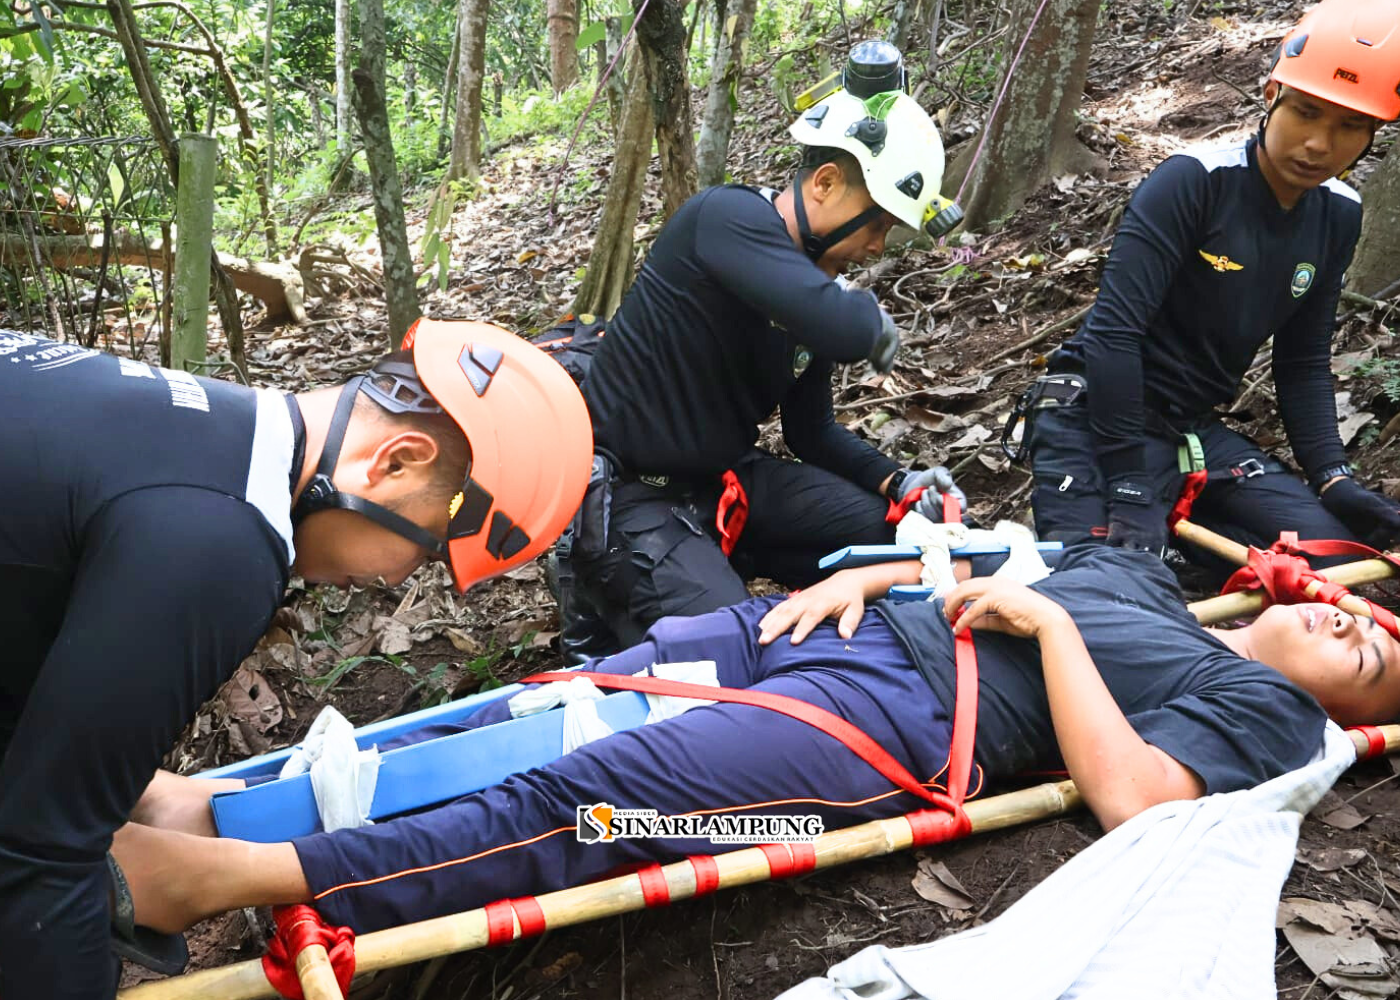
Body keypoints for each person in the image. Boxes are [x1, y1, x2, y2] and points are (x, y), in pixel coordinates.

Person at [108, 544, 1399, 943]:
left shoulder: (1273, 717)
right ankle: (225, 800)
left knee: (607, 804)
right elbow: (980, 563)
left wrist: (1050, 631)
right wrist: (884, 570)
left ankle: (237, 876)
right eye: (1365, 608)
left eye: (1383, 652)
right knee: (565, 695)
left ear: (1363, 715)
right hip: (815, 636)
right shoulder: (1141, 575)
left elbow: (1133, 796)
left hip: (884, 741)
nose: (1360, 624)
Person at [0, 319, 592, 1000]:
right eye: (427, 547)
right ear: (396, 459)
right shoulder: (218, 543)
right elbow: (37, 859)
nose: (399, 580)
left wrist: (138, 790)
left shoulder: (190, 429)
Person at [560, 40, 967, 660]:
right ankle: (601, 612)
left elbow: (813, 433)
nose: (879, 246)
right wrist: (870, 322)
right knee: (738, 653)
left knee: (899, 540)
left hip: (723, 479)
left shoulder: (810, 295)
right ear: (826, 183)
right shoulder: (723, 218)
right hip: (634, 500)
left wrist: (897, 481)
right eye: (879, 223)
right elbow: (844, 327)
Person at [1018, 0, 1400, 572]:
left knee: (1334, 560)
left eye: (1350, 125)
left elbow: (1302, 361)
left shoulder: (1340, 213)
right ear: (1272, 95)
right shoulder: (1194, 181)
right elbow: (1112, 336)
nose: (1320, 143)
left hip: (1192, 432)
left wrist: (1333, 477)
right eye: (1307, 112)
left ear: (1374, 133)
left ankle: (1182, 542)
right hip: (1094, 412)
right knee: (1108, 581)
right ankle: (1152, 541)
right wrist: (1126, 483)